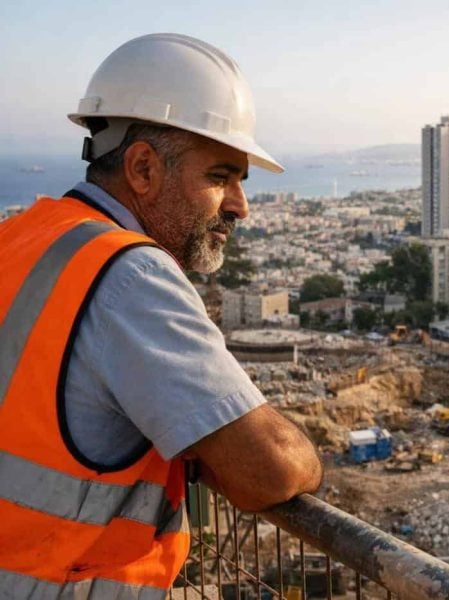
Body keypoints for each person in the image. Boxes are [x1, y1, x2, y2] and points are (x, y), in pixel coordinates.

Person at [0, 34, 322, 597]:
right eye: (220, 177)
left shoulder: (21, 238)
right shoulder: (129, 275)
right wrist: (309, 462)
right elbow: (270, 471)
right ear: (143, 168)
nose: (241, 206)